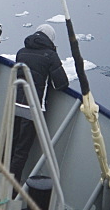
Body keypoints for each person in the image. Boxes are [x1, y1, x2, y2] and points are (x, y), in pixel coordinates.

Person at [10, 24, 69, 182]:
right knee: (21, 151)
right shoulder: (50, 56)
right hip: (33, 108)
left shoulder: (21, 52)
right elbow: (62, 84)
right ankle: (13, 189)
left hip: (14, 105)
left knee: (10, 145)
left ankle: (0, 180)